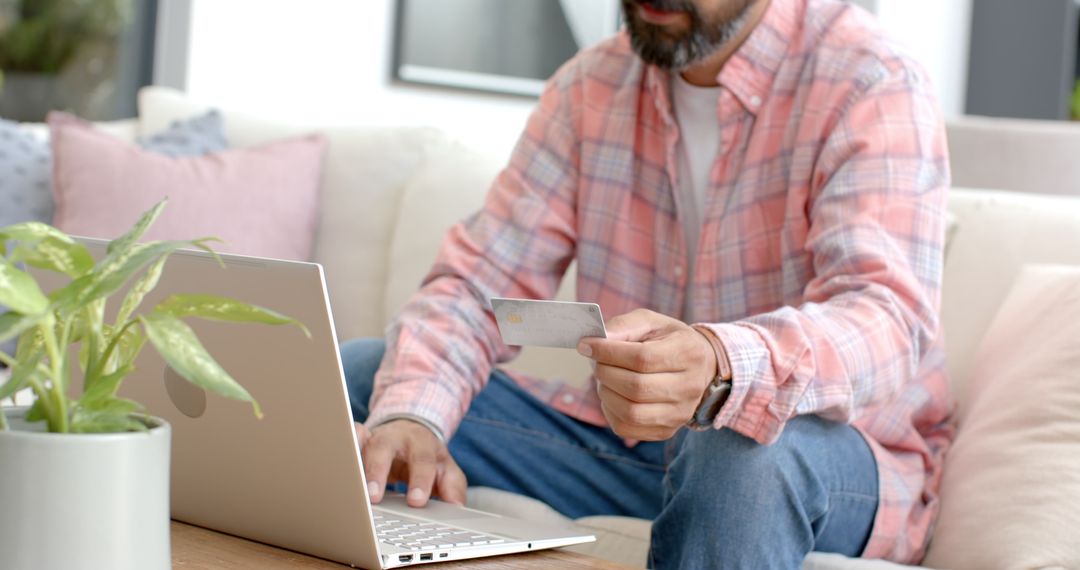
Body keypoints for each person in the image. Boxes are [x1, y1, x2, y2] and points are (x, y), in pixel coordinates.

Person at [341, 0, 954, 566]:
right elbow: (477, 286)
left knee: (736, 446)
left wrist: (722, 364)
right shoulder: (590, 87)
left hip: (827, 460)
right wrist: (414, 417)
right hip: (631, 453)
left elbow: (887, 316)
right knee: (365, 376)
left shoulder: (871, 79)